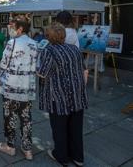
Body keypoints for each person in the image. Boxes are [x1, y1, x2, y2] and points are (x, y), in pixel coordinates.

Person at [37, 23, 88, 166]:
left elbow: (42, 73)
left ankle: (62, 156)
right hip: (77, 95)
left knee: (59, 128)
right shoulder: (75, 49)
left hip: (58, 96)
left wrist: (34, 66)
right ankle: (78, 157)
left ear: (48, 37)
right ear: (63, 35)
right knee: (76, 128)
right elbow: (84, 70)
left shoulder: (49, 51)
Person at [0, 17, 37, 160]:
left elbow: (3, 64)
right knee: (26, 118)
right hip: (27, 87)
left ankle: (10, 146)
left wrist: (0, 80)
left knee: (10, 116)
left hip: (11, 87)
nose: (11, 29)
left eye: (13, 27)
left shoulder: (11, 43)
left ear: (20, 29)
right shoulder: (34, 44)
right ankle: (27, 149)